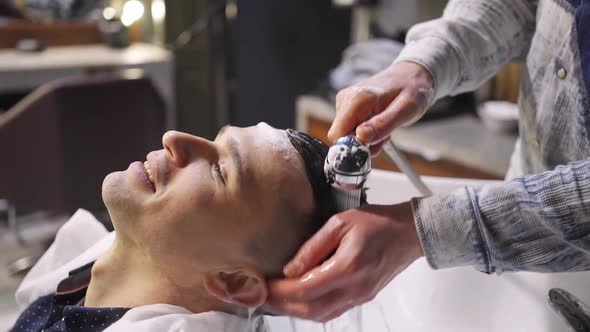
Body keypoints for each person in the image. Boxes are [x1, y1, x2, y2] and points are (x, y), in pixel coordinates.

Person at [268, 0, 590, 322]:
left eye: (224, 170)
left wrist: (426, 231)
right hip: (523, 204)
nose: (214, 142)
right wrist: (422, 65)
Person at [10, 123, 338, 332]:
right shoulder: (78, 284)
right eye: (213, 139)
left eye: (220, 171)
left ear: (234, 280)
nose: (174, 139)